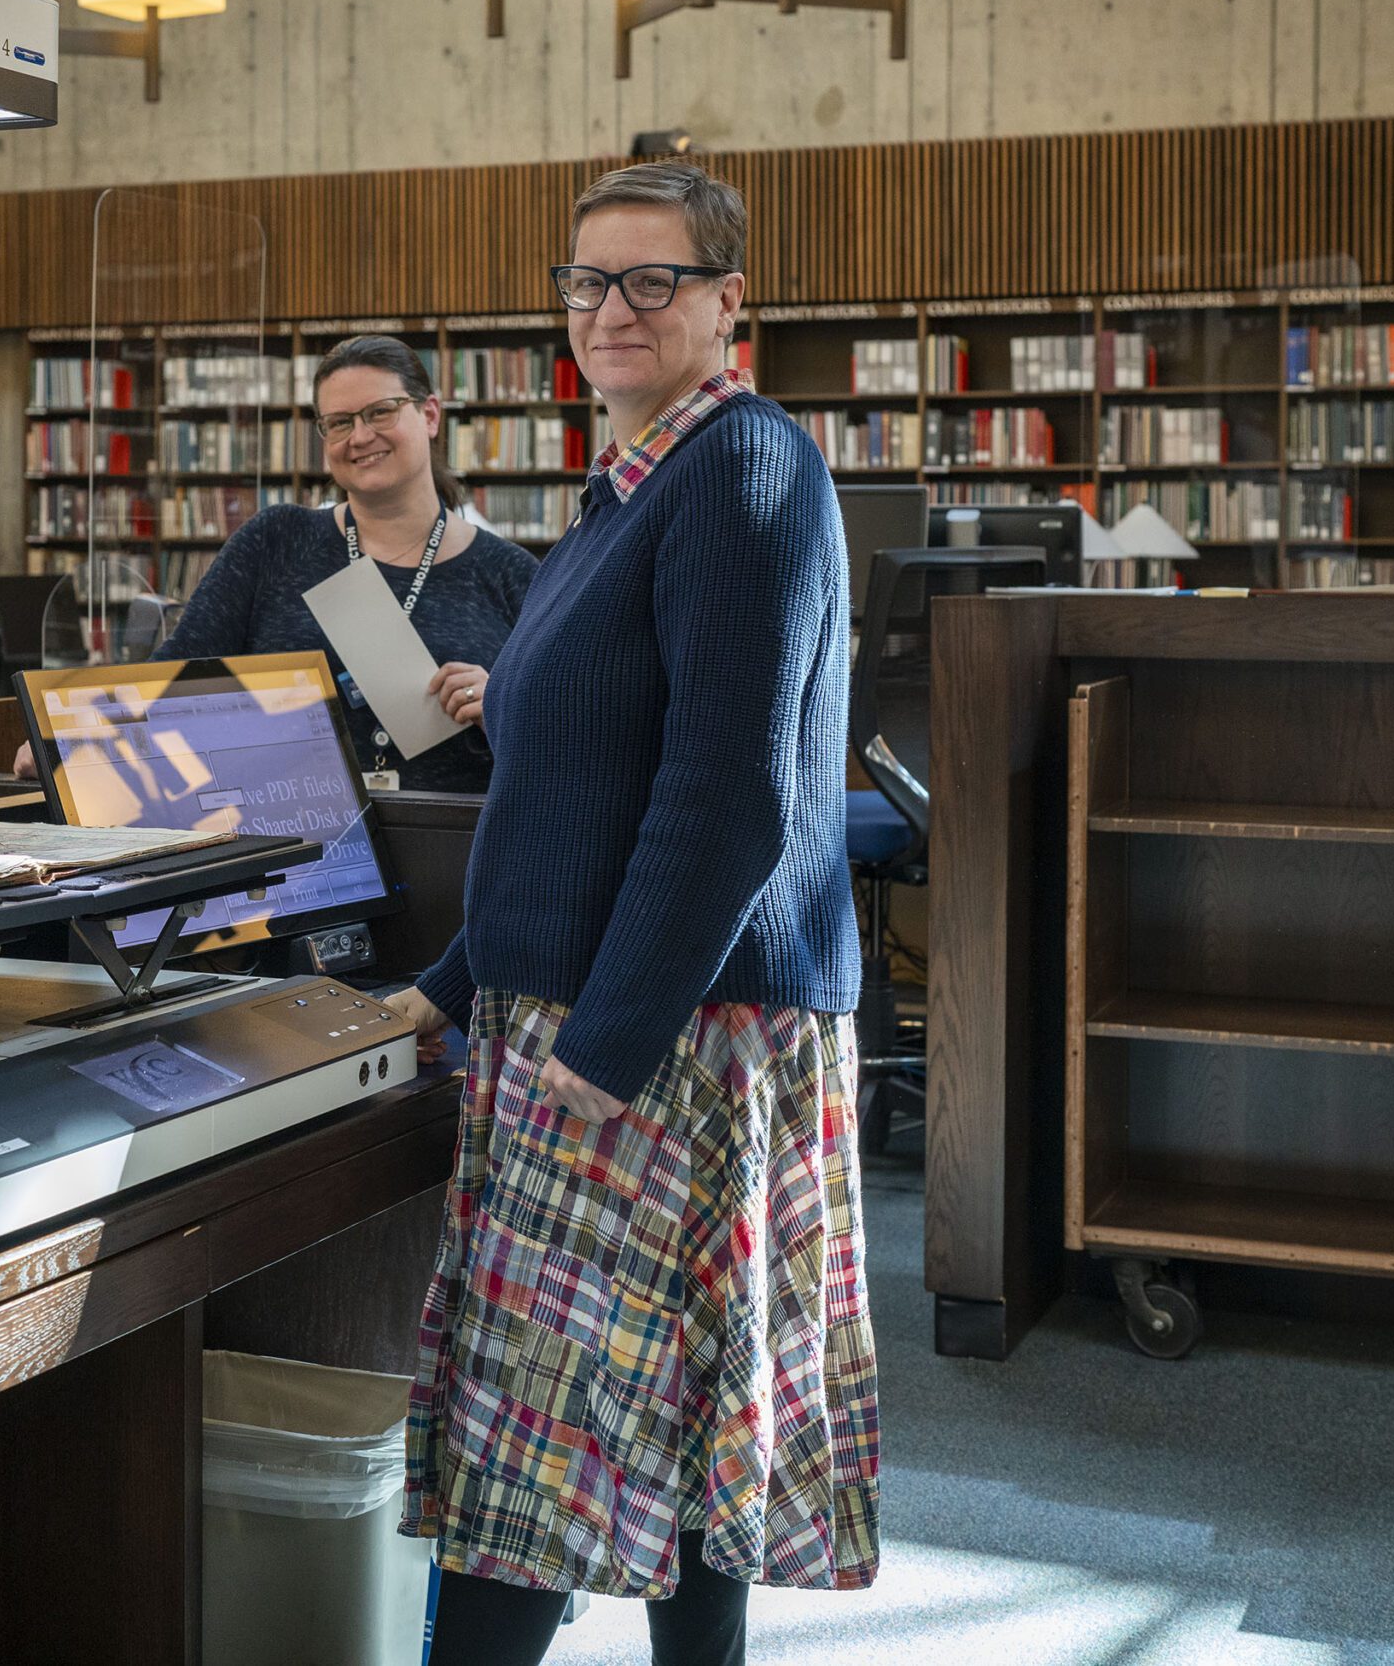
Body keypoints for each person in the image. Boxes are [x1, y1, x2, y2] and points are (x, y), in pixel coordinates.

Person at [386, 162, 878, 1666]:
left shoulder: (741, 471)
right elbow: (572, 807)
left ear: (732, 303)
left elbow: (729, 800)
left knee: (526, 1460)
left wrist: (600, 1049)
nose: (615, 307)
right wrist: (453, 985)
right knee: (664, 1438)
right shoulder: (625, 492)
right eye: (590, 280)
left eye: (655, 279)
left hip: (663, 1042)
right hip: (606, 1012)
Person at [18, 334, 537, 793]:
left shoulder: (513, 576)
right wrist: (72, 735)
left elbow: (570, 732)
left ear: (429, 415)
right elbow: (179, 672)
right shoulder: (278, 543)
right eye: (338, 423)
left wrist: (505, 705)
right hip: (294, 843)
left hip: (453, 852)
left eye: (380, 412)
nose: (359, 437)